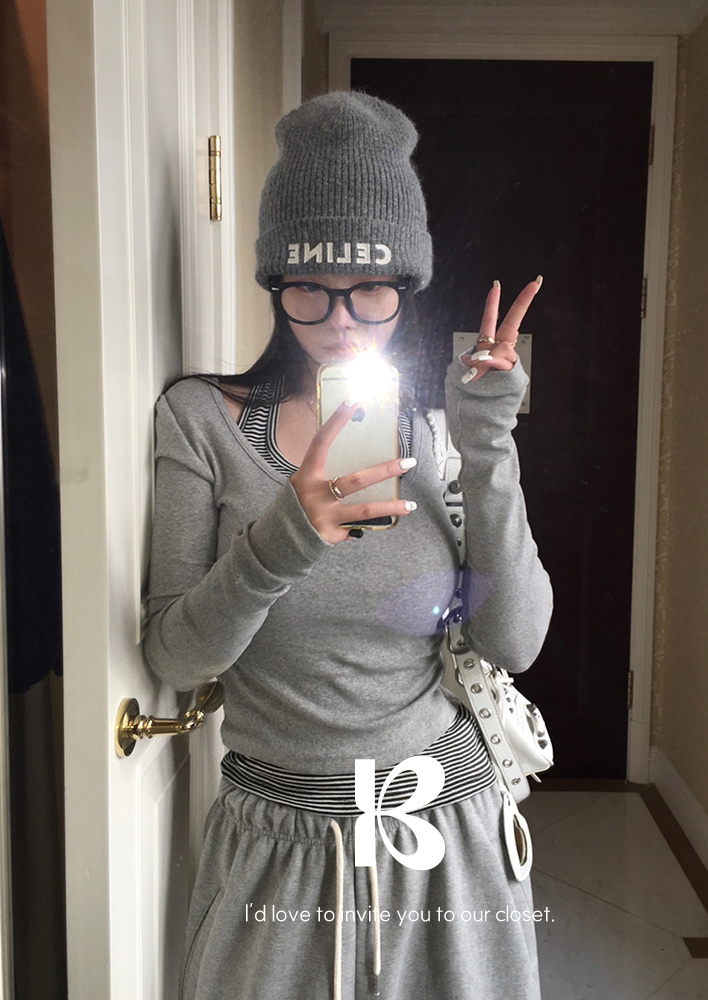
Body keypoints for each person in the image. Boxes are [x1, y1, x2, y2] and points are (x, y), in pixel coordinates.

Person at [143, 91, 553, 1000]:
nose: (340, 320)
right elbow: (175, 655)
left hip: (447, 839)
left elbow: (515, 640)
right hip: (278, 848)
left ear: (406, 285)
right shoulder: (200, 421)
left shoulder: (435, 433)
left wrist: (489, 438)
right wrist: (285, 536)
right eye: (309, 288)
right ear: (273, 283)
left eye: (371, 290)